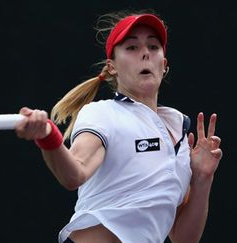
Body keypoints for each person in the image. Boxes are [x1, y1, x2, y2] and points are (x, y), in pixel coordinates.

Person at [15, 9, 223, 243]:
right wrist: (47, 136)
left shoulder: (180, 135)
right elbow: (74, 174)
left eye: (153, 47)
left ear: (163, 64)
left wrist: (203, 180)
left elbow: (183, 239)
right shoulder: (102, 113)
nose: (145, 53)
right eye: (131, 47)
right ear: (112, 66)